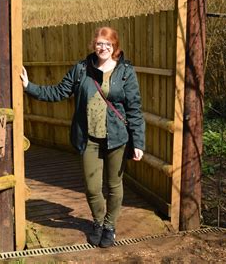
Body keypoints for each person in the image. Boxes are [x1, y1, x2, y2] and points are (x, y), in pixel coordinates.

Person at [20, 26, 145, 248]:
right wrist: (29, 87)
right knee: (92, 187)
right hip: (89, 139)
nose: (103, 47)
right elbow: (58, 92)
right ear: (93, 45)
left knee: (115, 186)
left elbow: (134, 109)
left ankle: (110, 226)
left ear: (115, 46)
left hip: (117, 138)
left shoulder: (125, 71)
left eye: (108, 43)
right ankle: (98, 222)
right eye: (99, 43)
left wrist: (138, 142)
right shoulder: (81, 70)